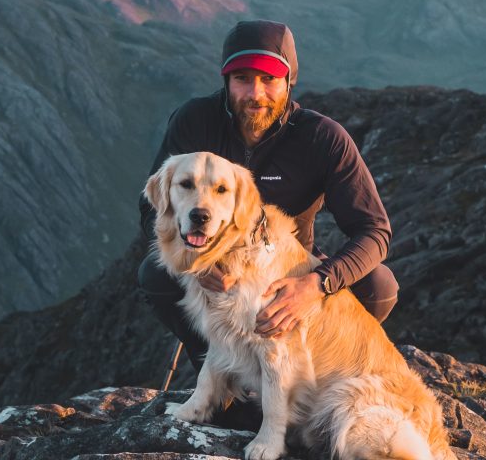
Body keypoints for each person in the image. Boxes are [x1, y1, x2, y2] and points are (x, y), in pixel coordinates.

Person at [138, 19, 397, 372]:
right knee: (154, 275)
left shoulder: (322, 139)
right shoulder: (195, 121)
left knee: (378, 285)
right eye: (242, 78)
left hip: (286, 268)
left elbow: (375, 230)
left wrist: (316, 284)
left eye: (269, 79)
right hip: (215, 265)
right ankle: (217, 374)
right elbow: (151, 207)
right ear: (226, 81)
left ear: (289, 81)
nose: (255, 93)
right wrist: (198, 266)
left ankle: (324, 372)